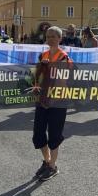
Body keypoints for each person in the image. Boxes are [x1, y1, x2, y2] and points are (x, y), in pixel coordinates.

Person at [31, 26, 72, 181]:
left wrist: (50, 67)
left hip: (58, 101)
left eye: (54, 36)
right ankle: (47, 161)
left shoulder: (64, 57)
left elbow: (63, 79)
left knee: (54, 135)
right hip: (42, 100)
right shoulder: (43, 55)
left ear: (60, 39)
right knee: (38, 134)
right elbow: (37, 77)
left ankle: (53, 166)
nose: (50, 39)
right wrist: (36, 84)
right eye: (48, 36)